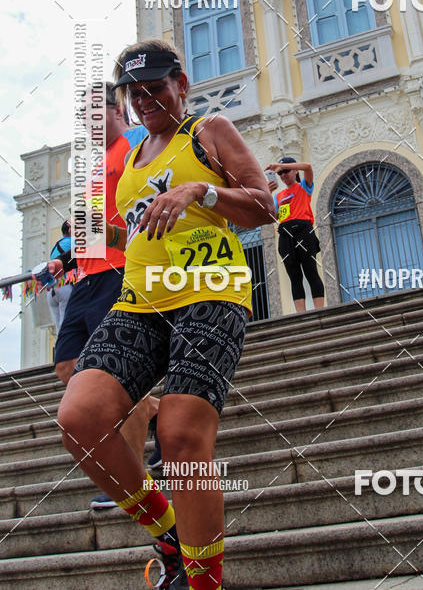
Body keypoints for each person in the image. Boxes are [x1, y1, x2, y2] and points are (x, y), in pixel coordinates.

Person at [57, 39, 275, 590]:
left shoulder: (209, 131)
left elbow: (263, 205)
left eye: (156, 86)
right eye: (134, 91)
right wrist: (91, 234)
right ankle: (168, 532)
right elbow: (137, 229)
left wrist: (200, 190)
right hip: (141, 300)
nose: (145, 98)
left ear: (181, 83)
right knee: (80, 417)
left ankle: (203, 584)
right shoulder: (131, 158)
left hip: (210, 292)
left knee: (179, 436)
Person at [48, 82, 153, 509]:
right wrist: (68, 257)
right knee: (66, 365)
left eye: (94, 114)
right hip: (86, 278)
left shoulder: (136, 141)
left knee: (114, 375)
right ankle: (152, 407)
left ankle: (131, 479)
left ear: (116, 110)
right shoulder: (94, 164)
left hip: (120, 270)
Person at [266, 156, 325, 313]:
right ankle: (301, 314)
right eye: (280, 173)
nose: (283, 175)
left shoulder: (304, 186)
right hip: (285, 234)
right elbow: (273, 216)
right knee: (294, 276)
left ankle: (320, 311)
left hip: (303, 231)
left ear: (295, 171)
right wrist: (268, 192)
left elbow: (308, 165)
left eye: (286, 171)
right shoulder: (279, 196)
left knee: (310, 271)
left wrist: (278, 165)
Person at [46, 220, 76, 332]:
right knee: (67, 326)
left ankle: (60, 349)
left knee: (59, 331)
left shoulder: (56, 246)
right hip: (65, 288)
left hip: (52, 292)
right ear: (69, 229)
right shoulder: (73, 242)